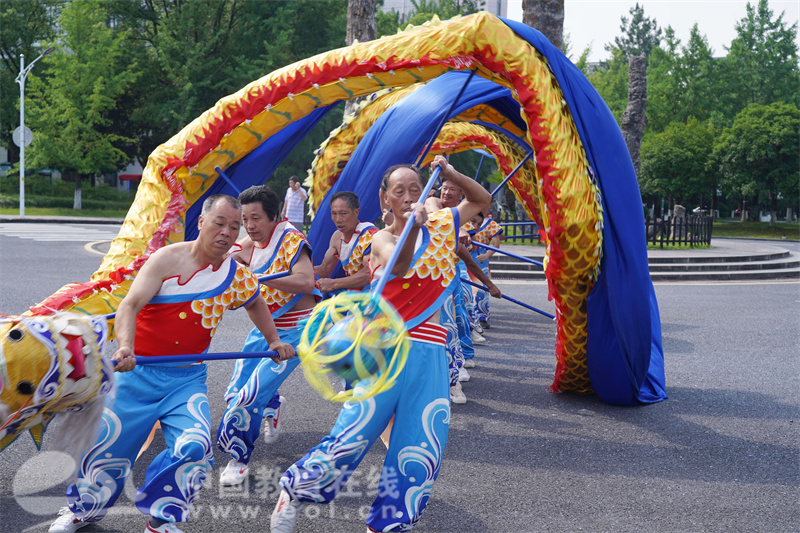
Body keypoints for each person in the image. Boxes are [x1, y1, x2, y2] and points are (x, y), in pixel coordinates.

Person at [269, 156, 491, 533]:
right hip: (385, 350)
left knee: (420, 449)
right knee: (352, 438)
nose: (408, 196)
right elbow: (401, 265)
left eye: (415, 189)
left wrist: (452, 173)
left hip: (431, 354)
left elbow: (481, 199)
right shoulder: (381, 238)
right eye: (399, 191)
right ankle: (294, 491)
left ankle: (388, 525)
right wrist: (414, 226)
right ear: (385, 198)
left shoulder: (443, 224)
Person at [49, 194, 294, 533]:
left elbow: (255, 302)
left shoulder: (235, 274)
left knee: (194, 445)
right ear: (201, 222)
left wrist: (274, 340)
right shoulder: (166, 259)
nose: (226, 232)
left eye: (234, 227)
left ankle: (160, 519)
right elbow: (129, 306)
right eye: (219, 223)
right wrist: (125, 347)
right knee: (107, 444)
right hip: (138, 373)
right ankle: (82, 511)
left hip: (187, 380)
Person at [217, 185, 320, 486]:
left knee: (249, 396)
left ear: (274, 217)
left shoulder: (291, 239)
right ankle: (272, 403)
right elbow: (220, 263)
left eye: (256, 218)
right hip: (266, 328)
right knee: (235, 391)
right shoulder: (248, 244)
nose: (249, 226)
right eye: (245, 219)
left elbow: (306, 281)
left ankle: (238, 459)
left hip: (298, 329)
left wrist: (259, 278)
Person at [314, 191, 379, 294]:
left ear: (356, 212)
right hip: (354, 298)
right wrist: (298, 272)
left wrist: (334, 283)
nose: (338, 219)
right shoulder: (336, 237)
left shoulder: (369, 235)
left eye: (343, 213)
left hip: (377, 297)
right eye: (334, 214)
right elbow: (324, 269)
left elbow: (369, 273)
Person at [466, 211, 504, 331]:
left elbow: (496, 245)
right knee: (467, 288)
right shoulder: (465, 219)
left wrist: (486, 255)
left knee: (481, 288)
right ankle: (468, 318)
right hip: (466, 254)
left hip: (480, 257)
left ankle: (481, 317)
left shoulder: (491, 224)